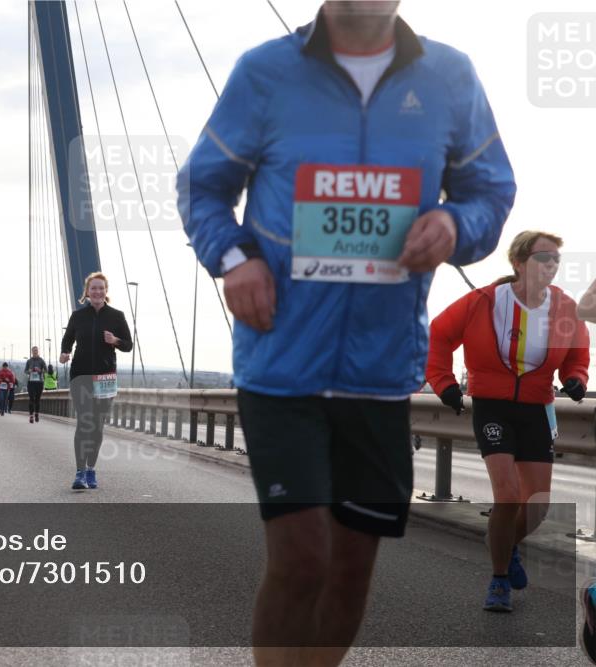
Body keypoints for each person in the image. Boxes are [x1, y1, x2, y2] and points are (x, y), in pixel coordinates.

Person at [176, 2, 516, 663]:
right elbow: (201, 187)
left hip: (380, 371)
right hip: (280, 362)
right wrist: (235, 258)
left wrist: (454, 226)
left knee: (352, 566)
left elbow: (490, 191)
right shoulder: (266, 72)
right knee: (303, 556)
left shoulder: (451, 76)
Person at [427, 231, 589, 612]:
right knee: (508, 494)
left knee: (538, 506)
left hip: (536, 408)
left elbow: (577, 352)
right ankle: (498, 580)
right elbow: (438, 335)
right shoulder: (484, 301)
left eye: (555, 260)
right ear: (518, 262)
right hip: (492, 407)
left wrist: (577, 378)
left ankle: (505, 543)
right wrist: (444, 383)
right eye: (542, 257)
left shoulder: (564, 307)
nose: (550, 265)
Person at [60, 272, 132, 490]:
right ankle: (80, 472)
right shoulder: (77, 316)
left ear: (106, 291)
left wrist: (115, 340)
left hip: (105, 377)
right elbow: (67, 340)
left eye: (101, 288)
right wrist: (64, 352)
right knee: (84, 424)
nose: (97, 292)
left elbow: (128, 345)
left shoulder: (117, 316)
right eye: (93, 288)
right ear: (87, 292)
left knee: (97, 426)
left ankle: (91, 469)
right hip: (80, 375)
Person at [25, 346, 47, 423]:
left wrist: (40, 370)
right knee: (31, 399)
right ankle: (31, 416)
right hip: (31, 382)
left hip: (39, 383)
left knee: (37, 399)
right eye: (34, 350)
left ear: (38, 351)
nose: (35, 352)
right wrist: (29, 371)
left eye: (36, 350)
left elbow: (46, 370)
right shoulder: (29, 361)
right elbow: (25, 371)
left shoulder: (41, 361)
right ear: (32, 352)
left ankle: (36, 414)